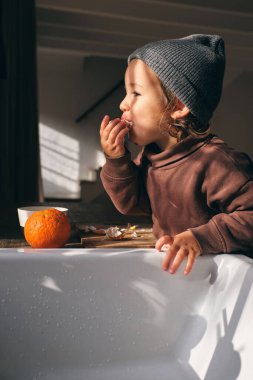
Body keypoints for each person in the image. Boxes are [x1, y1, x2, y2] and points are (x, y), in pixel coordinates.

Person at [99, 34, 253, 275]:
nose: (123, 104)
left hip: (222, 280)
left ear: (178, 106)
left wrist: (200, 238)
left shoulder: (217, 162)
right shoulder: (152, 156)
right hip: (178, 273)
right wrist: (117, 160)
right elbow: (130, 203)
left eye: (136, 93)